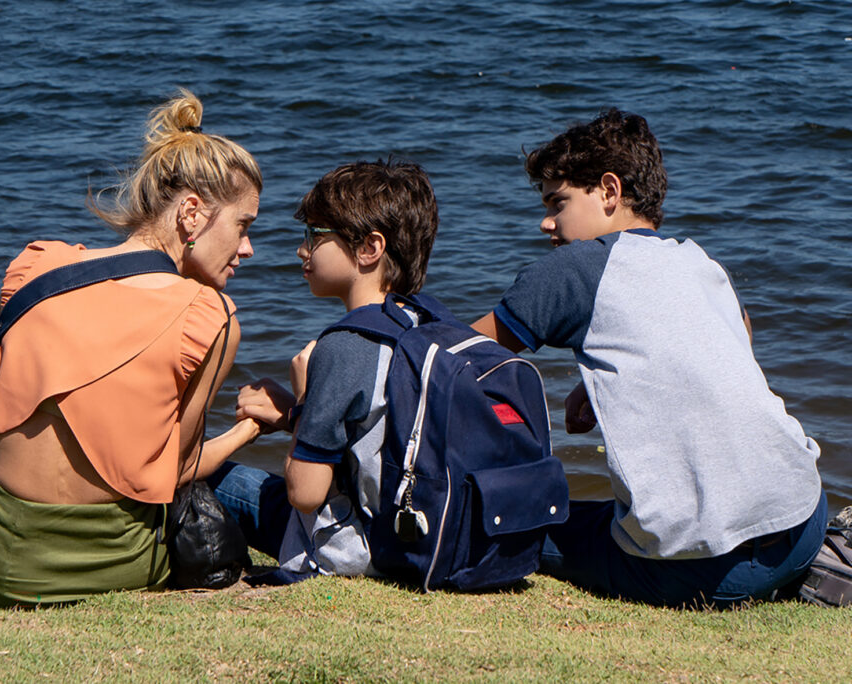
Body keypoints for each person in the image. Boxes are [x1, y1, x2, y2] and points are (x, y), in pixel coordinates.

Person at [471, 108, 826, 607]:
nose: (546, 221)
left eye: (558, 202)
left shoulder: (574, 268)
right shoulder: (697, 260)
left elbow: (459, 356)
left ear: (609, 192)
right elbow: (739, 334)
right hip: (803, 521)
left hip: (701, 571)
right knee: (602, 514)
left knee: (517, 526)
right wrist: (601, 383)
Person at [0, 90, 263, 606]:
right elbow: (178, 474)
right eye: (243, 226)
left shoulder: (36, 269)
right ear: (191, 213)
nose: (248, 249)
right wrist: (252, 428)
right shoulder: (209, 316)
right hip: (111, 564)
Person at [207, 159, 440, 582]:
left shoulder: (344, 345)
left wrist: (302, 401)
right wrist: (294, 415)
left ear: (370, 248)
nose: (302, 250)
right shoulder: (429, 324)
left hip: (359, 548)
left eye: (315, 235)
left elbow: (305, 493)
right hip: (421, 534)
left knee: (210, 479)